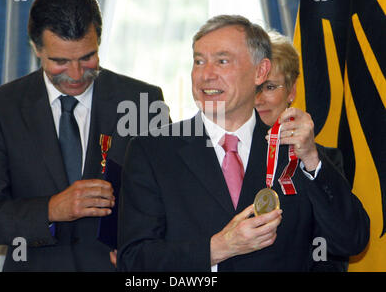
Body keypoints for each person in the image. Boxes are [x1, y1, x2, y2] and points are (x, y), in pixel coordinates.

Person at [117, 15, 369, 271]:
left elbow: (351, 240)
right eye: (199, 61)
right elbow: (134, 263)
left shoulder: (298, 155)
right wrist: (217, 249)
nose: (206, 75)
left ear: (260, 71)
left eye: (222, 61)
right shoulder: (152, 151)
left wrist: (312, 160)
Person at [0, 0, 166, 272]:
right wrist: (51, 209)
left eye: (87, 57)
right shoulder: (2, 107)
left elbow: (169, 201)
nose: (75, 75)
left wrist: (145, 244)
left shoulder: (143, 101)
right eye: (60, 61)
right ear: (36, 48)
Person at [255, 31, 350, 271]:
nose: (258, 99)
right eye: (251, 87)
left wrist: (310, 159)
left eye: (269, 87)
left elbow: (345, 242)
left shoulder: (321, 161)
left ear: (291, 92)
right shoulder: (224, 156)